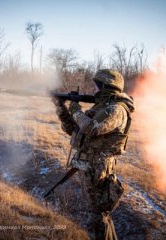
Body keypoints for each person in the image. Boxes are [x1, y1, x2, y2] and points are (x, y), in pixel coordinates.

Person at [52, 69, 134, 239]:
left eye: (96, 85)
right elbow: (74, 129)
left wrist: (75, 107)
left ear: (106, 86)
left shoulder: (117, 110)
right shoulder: (101, 108)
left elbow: (91, 128)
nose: (93, 88)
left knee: (97, 216)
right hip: (88, 165)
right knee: (97, 213)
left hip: (98, 168)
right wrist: (61, 108)